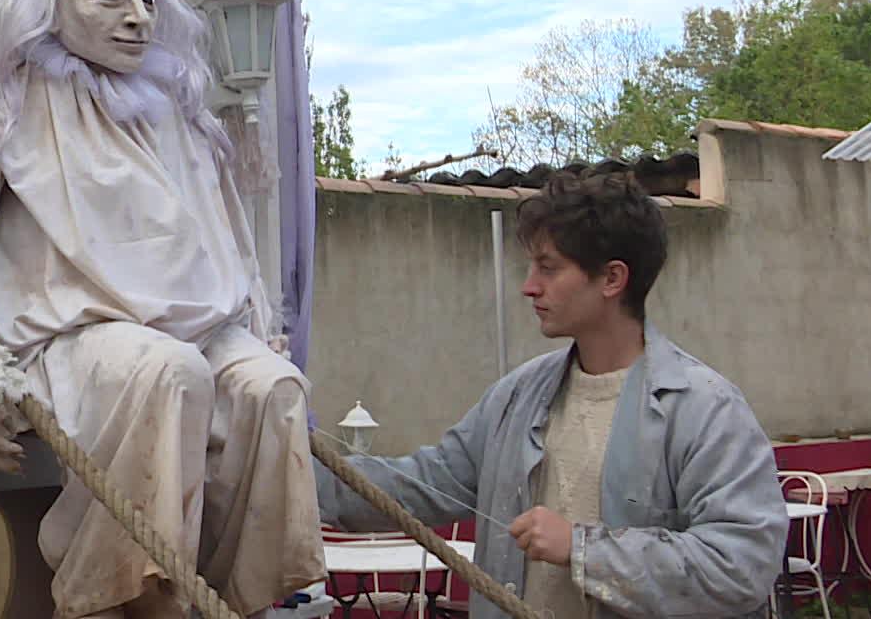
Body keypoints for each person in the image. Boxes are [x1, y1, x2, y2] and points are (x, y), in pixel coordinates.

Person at [0, 0, 324, 619]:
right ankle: (116, 598)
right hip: (71, 339)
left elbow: (230, 245)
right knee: (166, 374)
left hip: (196, 331)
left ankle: (230, 597)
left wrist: (254, 324)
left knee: (276, 388)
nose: (139, 18)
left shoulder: (173, 112)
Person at [317, 171, 787, 618]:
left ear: (612, 279)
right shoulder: (516, 397)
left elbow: (741, 564)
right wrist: (292, 472)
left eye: (549, 267)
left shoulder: (704, 409)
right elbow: (421, 484)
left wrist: (583, 549)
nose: (529, 286)